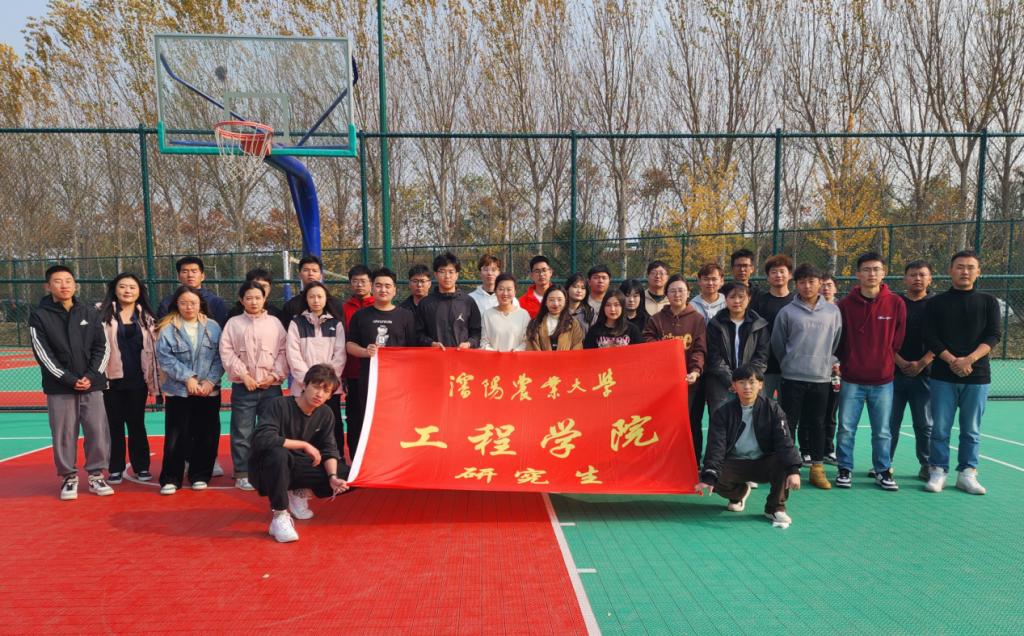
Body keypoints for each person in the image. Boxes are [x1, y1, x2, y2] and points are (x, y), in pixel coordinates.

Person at [30, 265, 114, 500]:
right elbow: (43, 353)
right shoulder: (39, 316)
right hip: (60, 388)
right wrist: (69, 379)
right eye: (58, 281)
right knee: (64, 434)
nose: (64, 285)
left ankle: (96, 475)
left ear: (75, 285)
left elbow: (102, 347)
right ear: (48, 286)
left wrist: (91, 376)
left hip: (92, 384)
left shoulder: (90, 312)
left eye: (68, 280)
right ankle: (69, 477)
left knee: (97, 431)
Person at [922, 250, 1001, 495]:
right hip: (942, 376)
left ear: (978, 272)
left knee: (971, 429)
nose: (964, 271)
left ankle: (967, 473)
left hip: (977, 377)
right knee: (940, 429)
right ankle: (938, 471)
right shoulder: (935, 303)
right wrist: (952, 360)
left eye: (970, 267)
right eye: (959, 267)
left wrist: (969, 360)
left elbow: (993, 335)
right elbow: (930, 336)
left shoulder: (989, 302)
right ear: (950, 271)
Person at [250, 364, 350, 543]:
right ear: (304, 385)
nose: (320, 394)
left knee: (349, 475)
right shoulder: (279, 405)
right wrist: (304, 445)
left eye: (326, 391)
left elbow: (329, 449)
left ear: (330, 395)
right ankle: (280, 515)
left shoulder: (326, 413)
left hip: (299, 466)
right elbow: (262, 438)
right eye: (316, 387)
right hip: (267, 469)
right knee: (278, 454)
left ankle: (300, 492)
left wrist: (333, 477)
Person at [694, 365, 802, 528]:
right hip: (735, 462)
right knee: (713, 477)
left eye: (752, 382)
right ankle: (739, 493)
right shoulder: (723, 413)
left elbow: (785, 441)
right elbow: (716, 447)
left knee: (783, 461)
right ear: (733, 386)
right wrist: (709, 476)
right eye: (741, 382)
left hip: (764, 462)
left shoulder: (773, 409)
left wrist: (794, 470)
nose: (747, 387)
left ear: (760, 385)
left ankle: (774, 507)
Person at [834, 252, 906, 491]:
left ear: (884, 273)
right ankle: (844, 468)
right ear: (858, 274)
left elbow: (897, 340)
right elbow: (840, 340)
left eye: (876, 269)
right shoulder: (845, 305)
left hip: (883, 380)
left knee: (882, 431)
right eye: (866, 269)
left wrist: (884, 361)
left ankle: (883, 470)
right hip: (851, 379)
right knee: (846, 428)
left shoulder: (896, 303)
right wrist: (849, 362)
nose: (871, 274)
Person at [771, 264, 843, 490]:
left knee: (818, 423)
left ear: (820, 283)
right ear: (796, 284)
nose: (807, 286)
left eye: (811, 281)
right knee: (788, 423)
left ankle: (817, 468)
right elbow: (778, 343)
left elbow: (836, 340)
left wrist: (826, 362)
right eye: (802, 282)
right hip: (792, 377)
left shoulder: (833, 312)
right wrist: (789, 363)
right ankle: (789, 467)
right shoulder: (787, 312)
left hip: (821, 378)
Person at [155, 286, 224, 495]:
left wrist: (210, 381)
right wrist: (188, 378)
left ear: (200, 304)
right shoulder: (168, 328)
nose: (188, 307)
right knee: (177, 435)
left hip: (208, 390)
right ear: (176, 304)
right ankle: (171, 478)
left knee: (207, 434)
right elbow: (165, 358)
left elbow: (220, 356)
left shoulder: (213, 327)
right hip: (179, 391)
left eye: (193, 303)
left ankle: (200, 474)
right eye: (183, 303)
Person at [220, 281, 289, 491]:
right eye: (249, 298)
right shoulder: (233, 323)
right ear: (241, 300)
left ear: (264, 298)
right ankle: (242, 472)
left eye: (258, 297)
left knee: (272, 430)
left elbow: (283, 351)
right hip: (244, 387)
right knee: (242, 432)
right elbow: (227, 352)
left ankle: (269, 468)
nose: (254, 302)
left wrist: (273, 376)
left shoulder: (275, 323)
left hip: (271, 387)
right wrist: (244, 375)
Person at [346, 268, 418, 459]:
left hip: (397, 383)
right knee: (368, 419)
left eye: (387, 286)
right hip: (369, 379)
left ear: (395, 290)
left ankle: (396, 458)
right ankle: (367, 460)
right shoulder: (361, 316)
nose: (383, 290)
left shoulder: (406, 316)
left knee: (396, 420)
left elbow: (413, 350)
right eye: (378, 285)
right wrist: (365, 351)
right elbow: (350, 345)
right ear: (372, 288)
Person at [98, 273, 160, 484]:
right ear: (114, 289)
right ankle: (115, 467)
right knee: (114, 425)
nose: (127, 291)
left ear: (139, 291)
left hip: (138, 379)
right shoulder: (102, 315)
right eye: (122, 286)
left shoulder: (147, 318)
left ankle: (141, 466)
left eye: (132, 287)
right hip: (111, 380)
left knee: (137, 424)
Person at [643, 275, 706, 463]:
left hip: (690, 382)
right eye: (672, 291)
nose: (677, 294)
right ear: (667, 294)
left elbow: (699, 349)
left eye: (681, 290)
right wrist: (665, 348)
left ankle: (692, 462)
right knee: (663, 423)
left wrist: (695, 371)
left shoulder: (697, 319)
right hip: (663, 383)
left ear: (688, 293)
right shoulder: (656, 319)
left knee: (691, 422)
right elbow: (647, 341)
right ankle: (663, 461)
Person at [286, 281, 347, 450]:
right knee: (301, 424)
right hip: (303, 386)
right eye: (311, 296)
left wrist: (326, 384)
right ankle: (301, 458)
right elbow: (293, 354)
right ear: (306, 299)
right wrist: (308, 383)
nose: (316, 300)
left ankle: (336, 456)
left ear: (326, 299)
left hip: (329, 389)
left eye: (320, 296)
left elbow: (340, 355)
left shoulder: (336, 324)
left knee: (332, 424)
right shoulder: (296, 323)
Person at [891, 260, 935, 482]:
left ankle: (926, 465)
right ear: (905, 278)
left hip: (925, 375)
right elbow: (885, 337)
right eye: (912, 275)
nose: (917, 278)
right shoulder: (894, 303)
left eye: (922, 274)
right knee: (890, 424)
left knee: (924, 424)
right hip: (893, 374)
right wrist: (898, 361)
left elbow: (942, 338)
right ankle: (883, 464)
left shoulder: (936, 305)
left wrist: (922, 362)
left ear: (930, 279)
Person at [705, 282, 770, 415]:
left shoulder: (759, 324)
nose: (737, 301)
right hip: (722, 383)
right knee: (721, 421)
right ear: (725, 299)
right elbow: (714, 356)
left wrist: (745, 380)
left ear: (749, 298)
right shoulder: (715, 324)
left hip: (751, 383)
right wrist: (732, 381)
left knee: (753, 420)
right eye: (732, 297)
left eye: (741, 297)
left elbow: (762, 356)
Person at [340, 264, 376, 456]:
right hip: (354, 374)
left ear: (371, 283)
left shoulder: (380, 306)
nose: (359, 285)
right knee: (354, 418)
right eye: (355, 281)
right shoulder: (343, 309)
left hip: (379, 375)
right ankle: (355, 459)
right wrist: (344, 374)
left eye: (363, 281)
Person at [750, 254, 795, 401]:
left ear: (790, 275)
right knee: (761, 408)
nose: (778, 275)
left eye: (782, 271)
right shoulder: (758, 302)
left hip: (790, 368)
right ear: (768, 277)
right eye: (774, 272)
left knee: (786, 410)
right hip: (764, 368)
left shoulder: (797, 302)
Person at [415, 252, 482, 349]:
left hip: (462, 356)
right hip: (434, 356)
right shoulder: (425, 303)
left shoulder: (468, 302)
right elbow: (418, 333)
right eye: (442, 271)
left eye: (451, 272)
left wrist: (469, 344)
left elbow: (477, 332)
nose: (447, 276)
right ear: (435, 274)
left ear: (457, 275)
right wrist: (431, 343)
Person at [157, 256, 229, 326]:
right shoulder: (167, 302)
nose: (190, 275)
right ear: (178, 277)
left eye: (194, 271)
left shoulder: (215, 302)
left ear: (202, 276)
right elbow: (162, 327)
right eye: (185, 272)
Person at [281, 256, 345, 331]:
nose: (310, 273)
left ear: (321, 275)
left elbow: (342, 332)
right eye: (306, 270)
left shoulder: (335, 304)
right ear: (300, 275)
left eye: (314, 270)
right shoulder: (290, 306)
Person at [525, 285, 584, 351]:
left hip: (567, 358)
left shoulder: (573, 324)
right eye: (551, 300)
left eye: (559, 300)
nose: (556, 304)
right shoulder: (535, 323)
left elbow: (577, 347)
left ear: (565, 301)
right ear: (545, 302)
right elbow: (532, 348)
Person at [820, 272, 840, 463]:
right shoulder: (811, 310)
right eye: (822, 285)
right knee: (812, 412)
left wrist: (837, 363)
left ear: (835, 288)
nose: (825, 288)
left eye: (829, 285)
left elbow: (844, 341)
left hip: (835, 373)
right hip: (814, 371)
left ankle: (828, 448)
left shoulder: (841, 311)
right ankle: (808, 450)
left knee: (831, 413)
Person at [481, 273, 530, 351]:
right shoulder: (487, 315)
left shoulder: (524, 315)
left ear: (515, 292)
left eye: (509, 289)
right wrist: (495, 353)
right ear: (495, 291)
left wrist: (516, 351)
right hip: (494, 358)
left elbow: (526, 342)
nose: (505, 293)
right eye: (501, 289)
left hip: (517, 357)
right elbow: (484, 343)